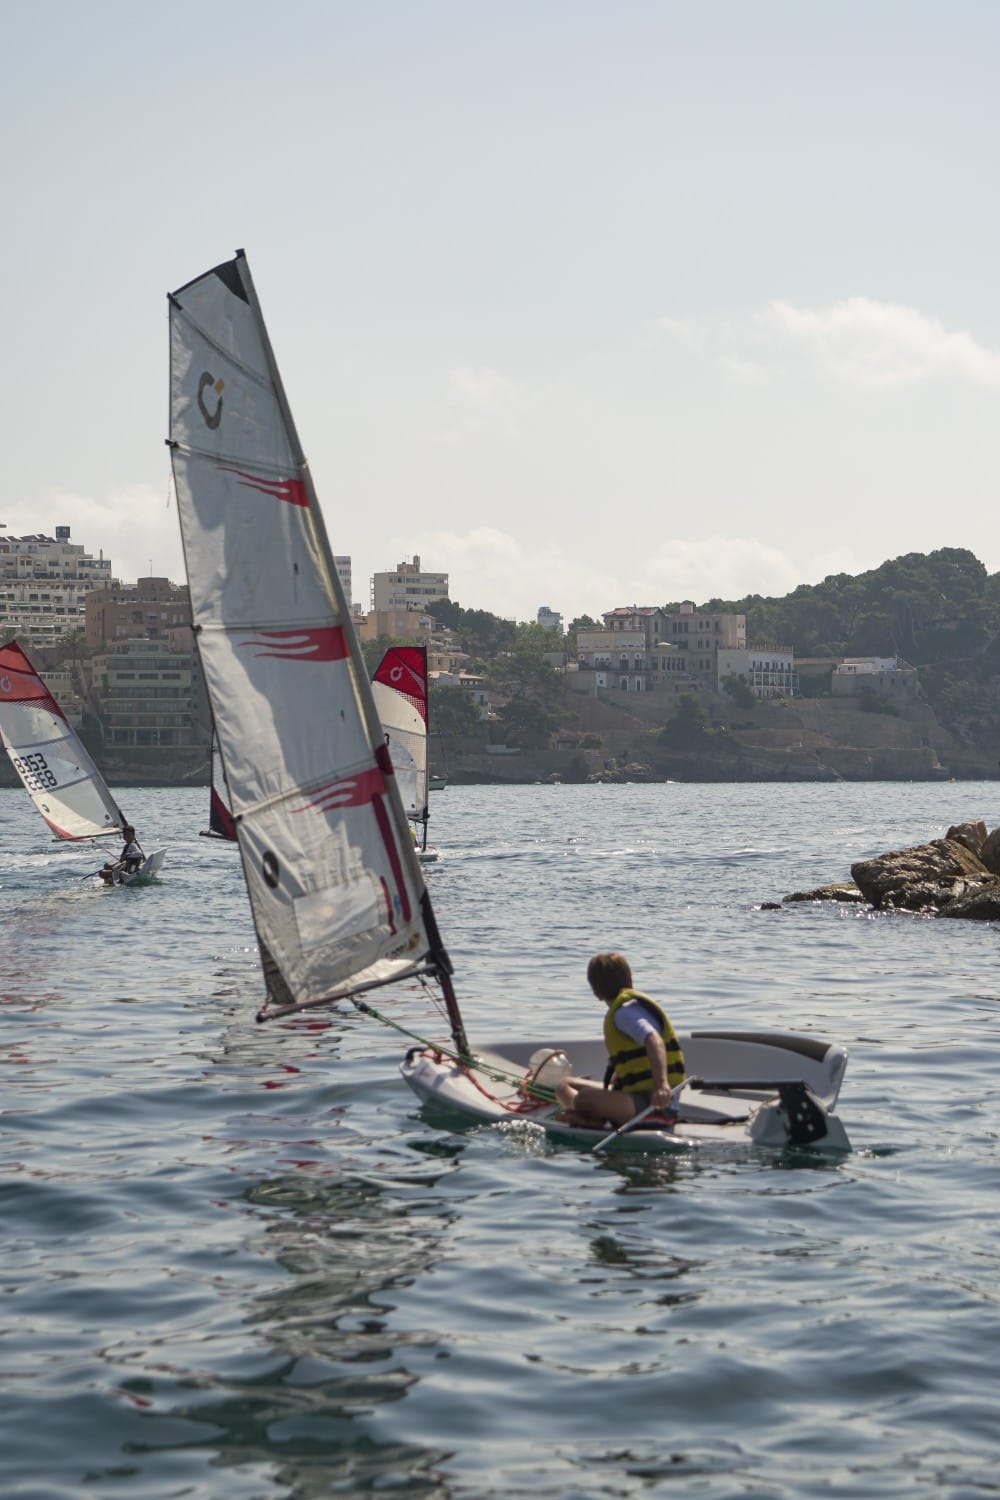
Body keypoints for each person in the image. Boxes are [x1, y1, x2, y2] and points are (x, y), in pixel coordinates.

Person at [554, 952, 685, 1128]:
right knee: (564, 1085)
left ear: (596, 994)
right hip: (635, 1097)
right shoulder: (626, 1010)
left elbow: (654, 1040)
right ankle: (592, 1117)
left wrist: (662, 1085)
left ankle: (592, 1119)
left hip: (656, 1106)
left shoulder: (625, 1013)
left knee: (585, 1099)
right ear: (630, 981)